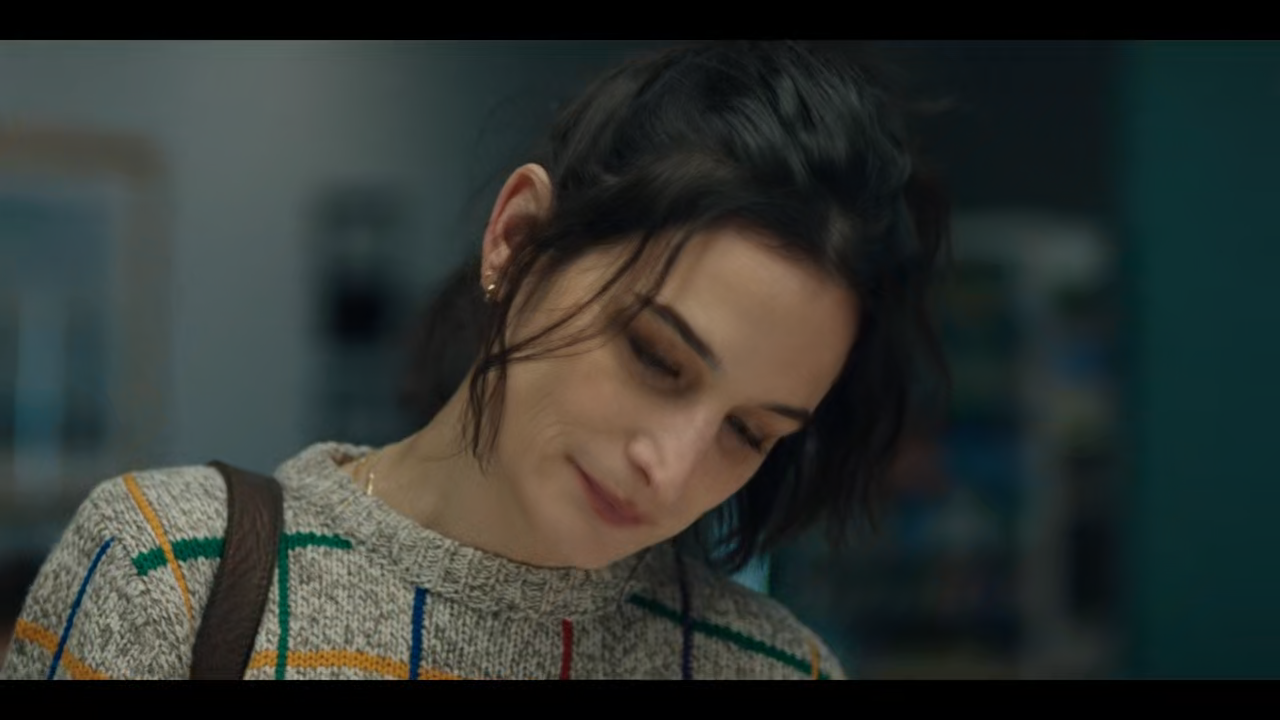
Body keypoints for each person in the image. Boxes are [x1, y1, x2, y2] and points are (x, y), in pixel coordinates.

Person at [1, 40, 948, 680]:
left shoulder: (773, 669)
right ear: (518, 239)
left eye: (749, 432)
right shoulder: (171, 572)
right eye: (655, 357)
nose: (669, 468)